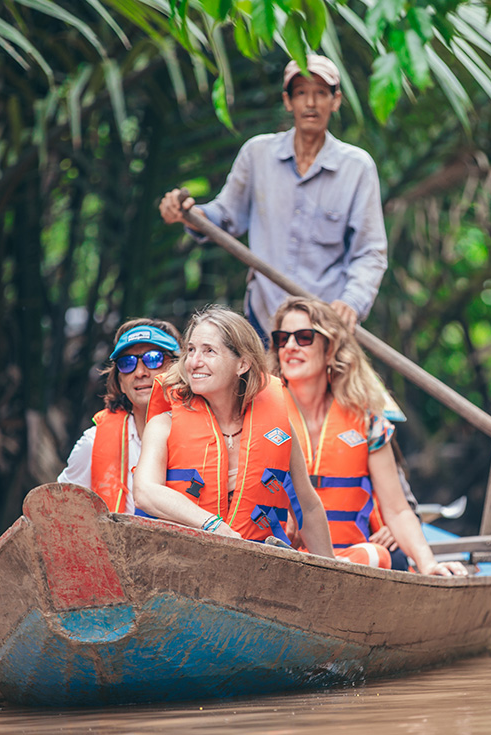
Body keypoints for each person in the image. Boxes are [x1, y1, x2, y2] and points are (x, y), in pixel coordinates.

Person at [159, 53, 387, 337]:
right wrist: (191, 216)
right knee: (265, 383)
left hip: (323, 329)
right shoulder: (258, 154)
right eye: (301, 93)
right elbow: (225, 216)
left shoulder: (357, 167)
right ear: (288, 101)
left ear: (336, 100)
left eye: (320, 93)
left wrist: (351, 302)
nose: (311, 103)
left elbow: (370, 252)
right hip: (263, 319)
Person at [269, 297, 468, 576]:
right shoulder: (261, 412)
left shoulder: (366, 420)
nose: (290, 346)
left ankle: (336, 570)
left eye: (304, 337)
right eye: (282, 338)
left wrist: (428, 564)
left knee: (378, 555)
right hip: (281, 555)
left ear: (330, 349)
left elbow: (398, 511)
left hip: (353, 559)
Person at [133, 304, 334, 558]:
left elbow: (309, 507)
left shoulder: (279, 430)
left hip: (254, 568)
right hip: (179, 563)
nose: (195, 362)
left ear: (243, 364)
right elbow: (145, 491)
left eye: (209, 351)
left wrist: (334, 575)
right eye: (191, 350)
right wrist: (213, 526)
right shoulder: (163, 425)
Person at [57, 318, 182, 514]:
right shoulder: (93, 442)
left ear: (180, 368)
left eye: (154, 358)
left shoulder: (213, 435)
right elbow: (57, 511)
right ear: (121, 383)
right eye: (127, 363)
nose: (140, 372)